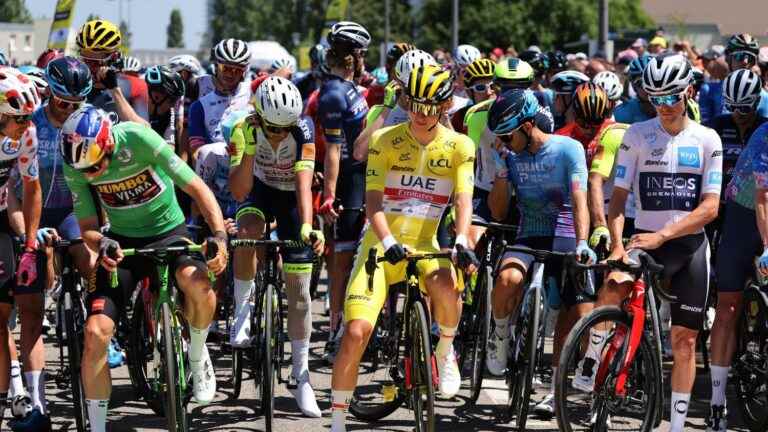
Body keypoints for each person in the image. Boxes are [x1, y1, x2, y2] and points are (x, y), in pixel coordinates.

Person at [59, 106, 228, 432]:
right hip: (122, 242)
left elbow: (196, 187)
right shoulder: (76, 163)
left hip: (170, 232)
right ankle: (96, 426)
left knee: (200, 288)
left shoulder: (138, 138)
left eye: (97, 166)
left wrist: (218, 235)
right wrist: (101, 242)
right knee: (95, 333)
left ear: (109, 145)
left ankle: (196, 351)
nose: (92, 175)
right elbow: (89, 226)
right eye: (86, 171)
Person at [330, 65, 478, 432]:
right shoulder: (386, 140)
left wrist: (460, 239)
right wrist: (389, 241)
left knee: (447, 284)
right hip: (381, 246)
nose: (422, 115)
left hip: (426, 244)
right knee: (356, 332)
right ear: (405, 100)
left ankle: (444, 351)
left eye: (432, 107)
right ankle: (336, 421)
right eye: (415, 105)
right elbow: (373, 202)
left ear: (445, 106)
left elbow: (463, 199)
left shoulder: (460, 145)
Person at [588, 53, 722, 432]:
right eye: (655, 98)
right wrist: (617, 244)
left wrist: (664, 235)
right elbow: (617, 200)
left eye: (671, 98)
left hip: (689, 248)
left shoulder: (707, 139)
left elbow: (710, 208)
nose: (663, 106)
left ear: (689, 92)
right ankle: (592, 361)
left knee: (683, 343)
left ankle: (676, 427)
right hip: (644, 240)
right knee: (614, 285)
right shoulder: (637, 134)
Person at [484, 89, 594, 417]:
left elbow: (579, 200)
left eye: (508, 135)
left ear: (528, 125)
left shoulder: (568, 149)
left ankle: (576, 385)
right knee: (507, 278)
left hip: (565, 235)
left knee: (580, 315)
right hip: (530, 233)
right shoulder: (510, 157)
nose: (503, 141)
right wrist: (503, 173)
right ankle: (500, 334)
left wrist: (582, 243)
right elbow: (499, 212)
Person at [227, 76, 324, 416]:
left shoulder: (303, 131)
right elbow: (239, 190)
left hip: (292, 198)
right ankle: (241, 312)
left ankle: (302, 376)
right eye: (274, 129)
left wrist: (309, 226)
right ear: (260, 117)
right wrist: (252, 147)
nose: (280, 135)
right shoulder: (244, 128)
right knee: (248, 230)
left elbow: (303, 182)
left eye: (286, 129)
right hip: (258, 190)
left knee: (299, 291)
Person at [704, 68, 768, 432]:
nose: (741, 113)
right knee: (728, 307)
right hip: (741, 212)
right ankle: (715, 404)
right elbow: (763, 198)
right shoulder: (763, 135)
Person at [317, 21, 371, 364]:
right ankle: (336, 330)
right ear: (351, 56)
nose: (365, 58)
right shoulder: (334, 93)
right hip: (348, 183)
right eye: (362, 53)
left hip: (366, 178)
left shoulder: (351, 87)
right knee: (341, 260)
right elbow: (333, 149)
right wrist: (329, 195)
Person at [0, 67, 45, 427]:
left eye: (29, 116)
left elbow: (32, 188)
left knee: (1, 312)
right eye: (19, 117)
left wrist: (30, 244)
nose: (26, 123)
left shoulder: (26, 134)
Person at [187, 38, 252, 156]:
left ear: (244, 72)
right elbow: (196, 152)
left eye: (237, 70)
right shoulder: (199, 104)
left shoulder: (253, 93)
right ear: (216, 67)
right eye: (225, 68)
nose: (230, 74)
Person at [75, 19, 148, 122]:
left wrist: (114, 90)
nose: (89, 68)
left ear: (113, 58)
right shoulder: (75, 89)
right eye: (85, 61)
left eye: (95, 62)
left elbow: (145, 131)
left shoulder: (134, 87)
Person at [613, 55, 656, 124]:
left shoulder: (673, 108)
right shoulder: (622, 114)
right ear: (633, 86)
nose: (647, 88)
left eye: (652, 82)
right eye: (641, 83)